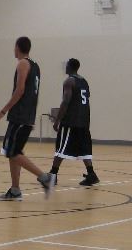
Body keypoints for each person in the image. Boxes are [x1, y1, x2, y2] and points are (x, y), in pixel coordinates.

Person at [0, 36, 55, 201]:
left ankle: (45, 177)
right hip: (27, 115)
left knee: (11, 151)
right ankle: (15, 190)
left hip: (19, 116)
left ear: (18, 47)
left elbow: (20, 90)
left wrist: (3, 111)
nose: (13, 50)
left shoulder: (22, 64)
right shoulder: (35, 65)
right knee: (13, 151)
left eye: (14, 47)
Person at [48, 58, 99, 187]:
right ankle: (91, 174)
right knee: (84, 149)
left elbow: (66, 102)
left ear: (70, 67)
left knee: (61, 148)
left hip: (71, 121)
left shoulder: (69, 81)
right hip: (84, 120)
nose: (65, 67)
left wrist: (57, 120)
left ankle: (52, 176)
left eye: (66, 65)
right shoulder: (84, 81)